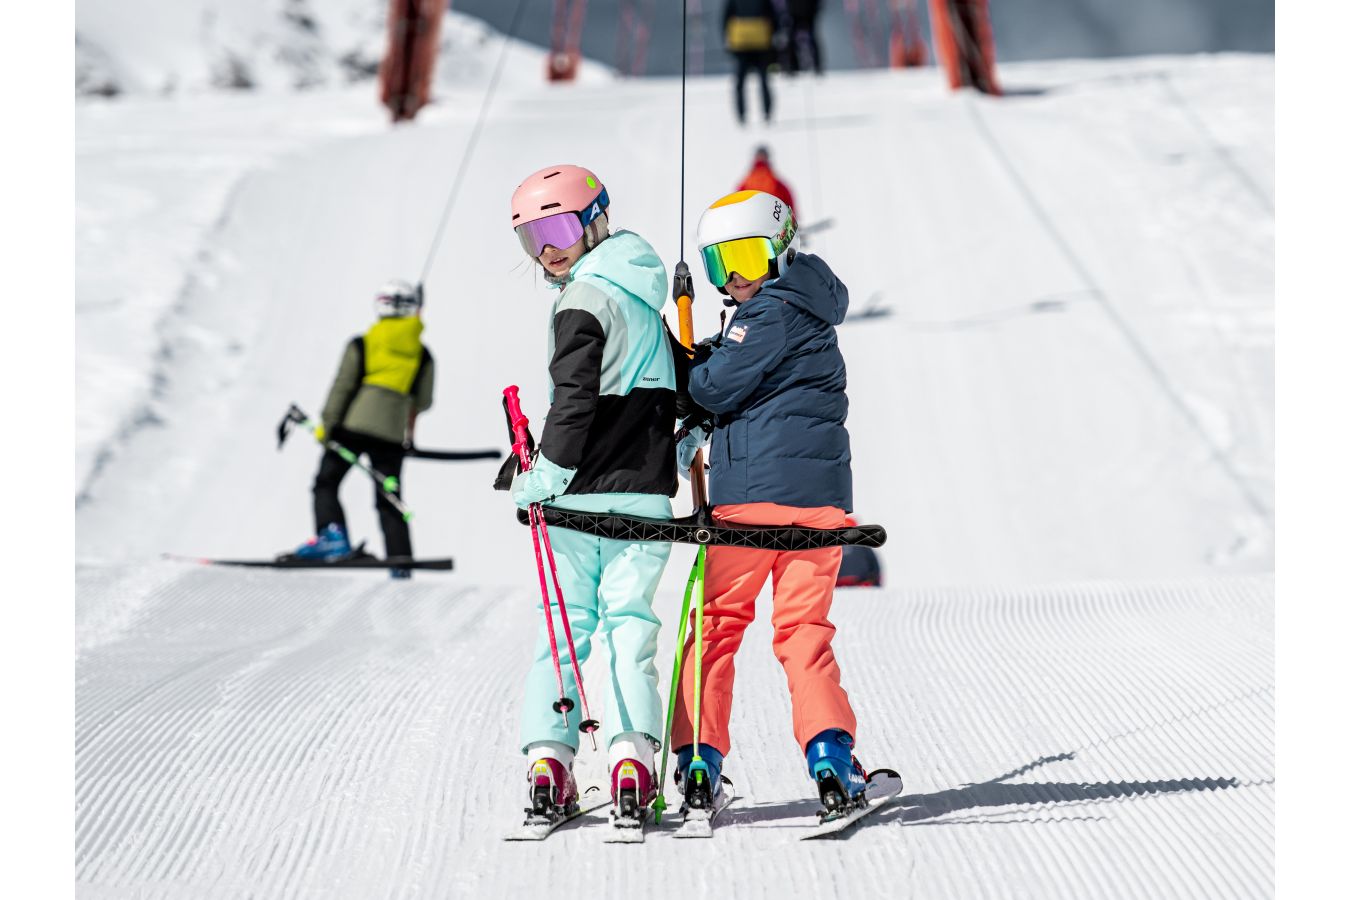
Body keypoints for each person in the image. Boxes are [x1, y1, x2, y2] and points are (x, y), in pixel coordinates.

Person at [670, 189, 871, 815]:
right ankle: (831, 758)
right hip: (822, 509)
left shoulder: (769, 312)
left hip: (753, 504)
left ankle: (699, 759)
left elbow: (714, 386)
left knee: (716, 625)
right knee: (805, 632)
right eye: (719, 264)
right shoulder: (806, 306)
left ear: (780, 251)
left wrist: (689, 370)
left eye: (748, 259)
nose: (734, 278)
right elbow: (744, 374)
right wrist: (714, 357)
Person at [506, 164, 678, 822]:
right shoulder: (643, 292)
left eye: (556, 227)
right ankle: (630, 759)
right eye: (531, 238)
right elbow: (674, 391)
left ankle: (550, 761)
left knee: (568, 630)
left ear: (594, 220)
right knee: (628, 627)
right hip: (646, 497)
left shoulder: (582, 299)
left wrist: (540, 479)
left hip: (577, 501)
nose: (546, 249)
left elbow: (573, 407)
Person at [290, 280, 434, 579]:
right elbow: (421, 402)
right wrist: (408, 438)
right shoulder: (422, 355)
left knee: (326, 482)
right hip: (392, 435)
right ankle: (401, 562)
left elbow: (342, 387)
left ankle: (332, 537)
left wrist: (327, 426)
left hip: (351, 427)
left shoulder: (362, 344)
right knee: (389, 498)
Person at [723, 0, 778, 125]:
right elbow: (773, 17)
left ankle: (741, 114)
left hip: (741, 42)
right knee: (763, 79)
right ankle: (767, 112)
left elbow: (726, 17)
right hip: (761, 42)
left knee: (740, 82)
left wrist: (726, 39)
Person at [737, 145, 797, 215]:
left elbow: (736, 204)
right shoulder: (778, 184)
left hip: (750, 222)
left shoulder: (745, 184)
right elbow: (789, 205)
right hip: (774, 222)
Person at [784, 0, 824, 75]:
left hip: (807, 13)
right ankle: (793, 66)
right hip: (795, 13)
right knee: (792, 41)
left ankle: (817, 66)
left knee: (812, 39)